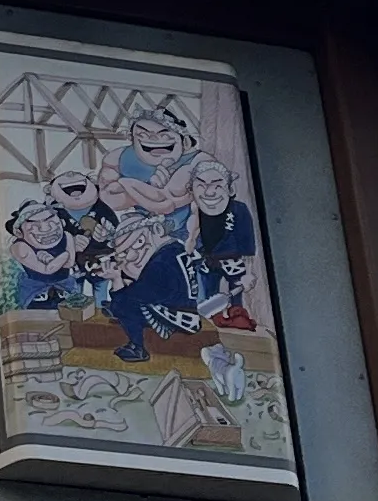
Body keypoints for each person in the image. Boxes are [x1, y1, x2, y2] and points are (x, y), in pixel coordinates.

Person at [105, 154, 262, 361]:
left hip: (229, 261)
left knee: (233, 296)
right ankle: (215, 318)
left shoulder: (238, 210)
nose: (209, 191)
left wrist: (248, 273)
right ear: (192, 189)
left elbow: (248, 245)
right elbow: (190, 237)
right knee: (208, 291)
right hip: (202, 261)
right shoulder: (190, 215)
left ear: (229, 188)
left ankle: (139, 347)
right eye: (201, 185)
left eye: (217, 185)